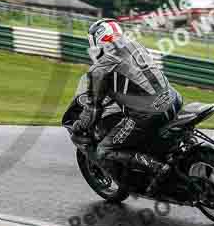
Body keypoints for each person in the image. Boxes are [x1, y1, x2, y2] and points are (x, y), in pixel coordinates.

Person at [72, 18, 183, 195]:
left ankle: (156, 167)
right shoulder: (136, 45)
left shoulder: (100, 68)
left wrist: (80, 126)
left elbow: (93, 109)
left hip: (149, 113)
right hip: (173, 98)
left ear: (97, 42)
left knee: (104, 150)